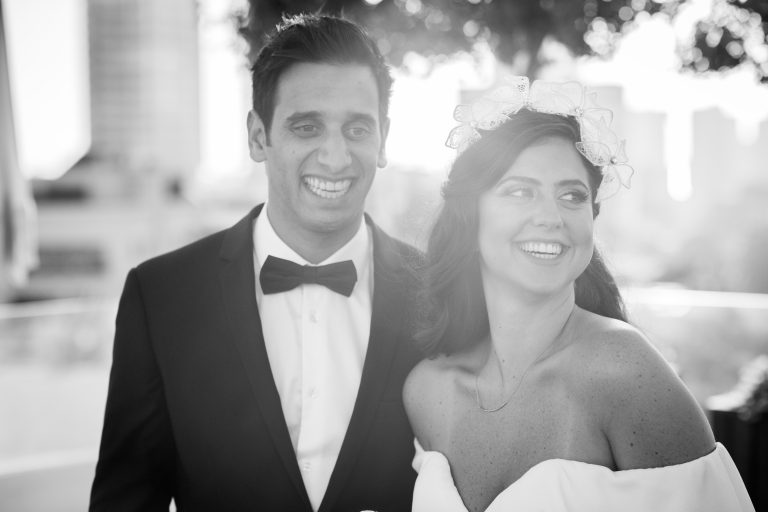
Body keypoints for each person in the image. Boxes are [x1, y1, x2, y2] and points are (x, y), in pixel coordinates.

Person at [90, 14, 422, 512]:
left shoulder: (439, 291)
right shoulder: (161, 296)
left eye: (357, 128)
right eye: (307, 127)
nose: (335, 157)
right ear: (258, 137)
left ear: (383, 139)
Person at [404, 77, 755, 512]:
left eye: (572, 195)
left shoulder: (626, 373)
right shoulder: (427, 391)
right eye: (520, 191)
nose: (551, 217)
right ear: (469, 217)